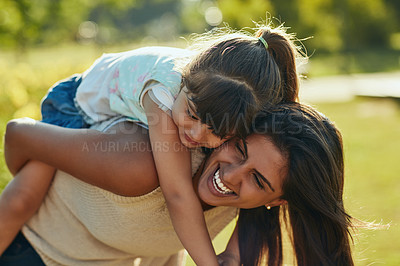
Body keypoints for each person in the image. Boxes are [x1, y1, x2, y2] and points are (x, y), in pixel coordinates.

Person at [0, 23, 302, 265]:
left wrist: (234, 255)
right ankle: (24, 133)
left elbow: (261, 200)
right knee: (21, 201)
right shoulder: (165, 93)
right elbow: (177, 193)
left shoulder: (230, 100)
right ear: (186, 81)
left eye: (218, 133)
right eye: (193, 115)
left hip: (126, 114)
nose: (196, 135)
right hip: (76, 106)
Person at [0, 103, 356, 265]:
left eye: (257, 180)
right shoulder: (144, 162)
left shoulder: (251, 216)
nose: (230, 176)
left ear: (277, 202)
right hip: (32, 251)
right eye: (239, 149)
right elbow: (22, 135)